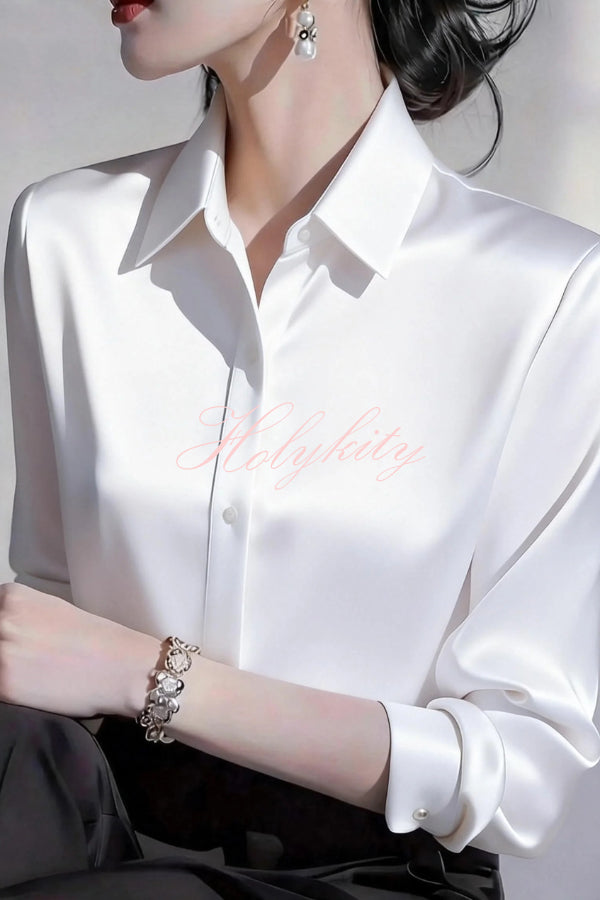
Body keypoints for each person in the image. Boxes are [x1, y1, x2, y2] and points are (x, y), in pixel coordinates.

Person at [1, 0, 600, 898]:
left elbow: (521, 774)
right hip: (92, 829)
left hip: (370, 872)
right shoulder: (64, 238)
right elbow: (45, 633)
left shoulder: (547, 294)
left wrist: (151, 677)